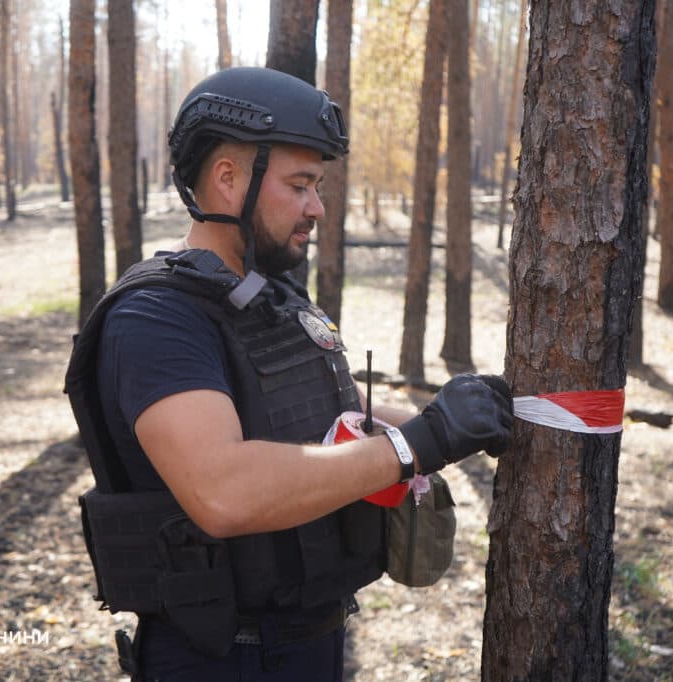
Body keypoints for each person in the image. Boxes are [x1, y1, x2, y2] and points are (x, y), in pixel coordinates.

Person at [65, 66, 514, 682]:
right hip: (223, 656)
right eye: (300, 186)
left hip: (311, 638)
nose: (318, 208)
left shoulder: (268, 298)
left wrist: (461, 424)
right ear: (228, 180)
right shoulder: (158, 318)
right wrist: (415, 446)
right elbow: (222, 491)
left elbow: (336, 415)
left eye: (319, 186)